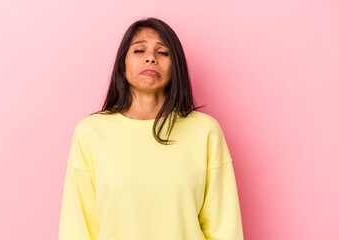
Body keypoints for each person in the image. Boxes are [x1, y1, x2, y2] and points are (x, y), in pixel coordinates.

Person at [58, 17, 244, 240]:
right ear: (122, 64)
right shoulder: (91, 133)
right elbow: (77, 228)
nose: (150, 58)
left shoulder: (205, 131)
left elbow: (225, 228)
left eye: (163, 52)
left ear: (176, 66)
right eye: (139, 50)